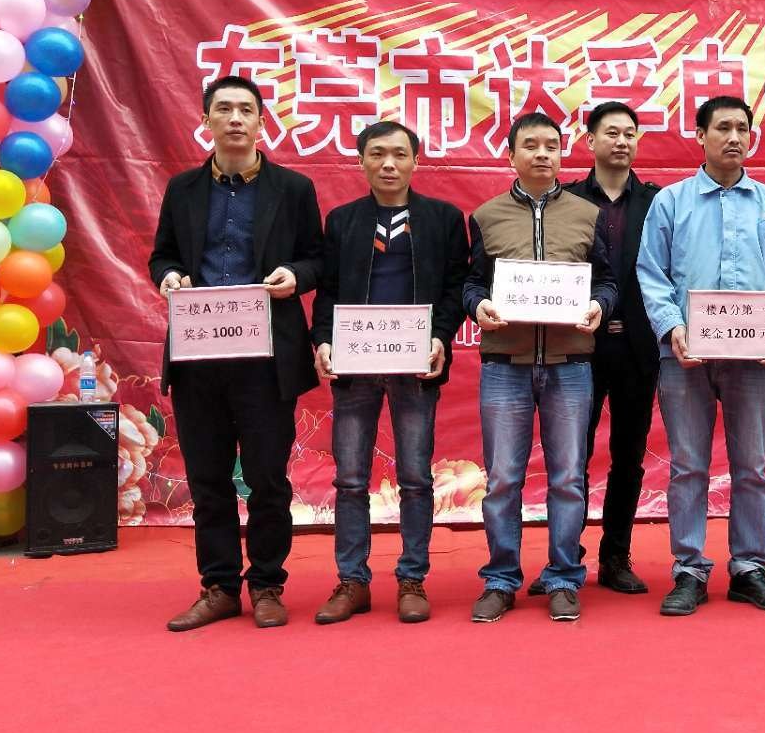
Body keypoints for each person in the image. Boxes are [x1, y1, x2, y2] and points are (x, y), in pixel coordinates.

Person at [149, 75, 323, 631]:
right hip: (199, 355)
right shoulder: (183, 189)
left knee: (268, 479)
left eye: (246, 110)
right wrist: (168, 276)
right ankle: (219, 586)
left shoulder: (292, 189)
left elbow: (317, 258)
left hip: (266, 360)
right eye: (223, 109)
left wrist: (294, 276)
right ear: (206, 121)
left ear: (261, 122)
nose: (234, 119)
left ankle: (268, 584)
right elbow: (162, 256)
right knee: (208, 480)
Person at [637, 94, 765, 616]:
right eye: (723, 128)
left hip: (751, 361)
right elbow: (651, 274)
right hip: (685, 358)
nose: (734, 138)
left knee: (752, 466)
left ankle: (749, 568)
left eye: (742, 129)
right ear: (700, 135)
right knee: (688, 466)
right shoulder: (671, 202)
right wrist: (673, 328)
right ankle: (689, 570)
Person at [310, 121, 470, 625]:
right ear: (360, 161)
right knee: (350, 479)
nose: (388, 164)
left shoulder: (443, 219)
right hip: (355, 365)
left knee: (416, 478)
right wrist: (323, 340)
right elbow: (328, 290)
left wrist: (440, 335)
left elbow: (455, 287)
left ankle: (412, 578)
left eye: (399, 154)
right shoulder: (343, 221)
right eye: (377, 154)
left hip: (414, 364)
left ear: (416, 161)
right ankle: (352, 581)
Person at [462, 113, 618, 623]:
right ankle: (501, 578)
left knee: (568, 477)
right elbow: (471, 283)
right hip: (504, 365)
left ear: (562, 154)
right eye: (530, 145)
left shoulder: (586, 214)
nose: (542, 153)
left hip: (570, 364)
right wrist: (478, 306)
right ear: (511, 155)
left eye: (552, 145)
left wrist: (599, 307)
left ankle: (564, 576)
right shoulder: (486, 216)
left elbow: (607, 282)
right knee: (503, 479)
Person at [557, 101, 661, 595]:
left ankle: (616, 556)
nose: (621, 141)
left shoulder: (658, 202)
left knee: (628, 457)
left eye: (629, 134)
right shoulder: (567, 199)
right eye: (611, 133)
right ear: (590, 141)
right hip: (579, 345)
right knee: (571, 457)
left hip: (638, 347)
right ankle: (565, 557)